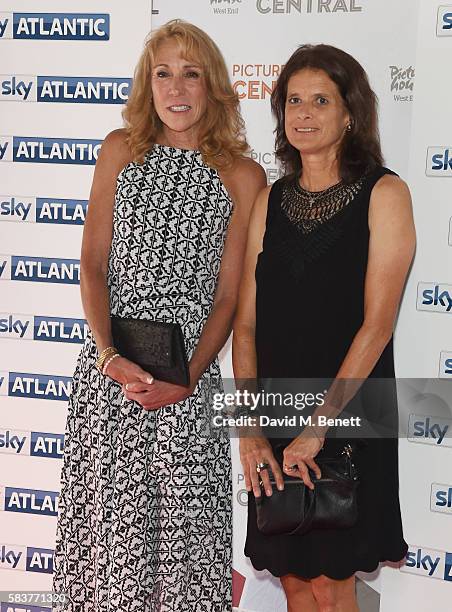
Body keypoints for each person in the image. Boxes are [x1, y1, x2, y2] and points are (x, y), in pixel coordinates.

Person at [52, 19, 266, 612]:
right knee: (108, 552)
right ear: (148, 85)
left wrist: (187, 377)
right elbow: (93, 264)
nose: (176, 88)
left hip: (187, 387)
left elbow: (228, 298)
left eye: (190, 74)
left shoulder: (243, 176)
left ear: (213, 87)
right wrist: (109, 356)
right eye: (163, 73)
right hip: (110, 386)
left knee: (183, 555)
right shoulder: (119, 149)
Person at [233, 44, 415, 612]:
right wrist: (251, 431)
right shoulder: (270, 199)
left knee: (334, 587)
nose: (304, 113)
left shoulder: (385, 194)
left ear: (350, 114)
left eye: (321, 100)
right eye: (293, 101)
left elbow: (377, 326)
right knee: (293, 582)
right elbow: (245, 325)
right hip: (277, 412)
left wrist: (319, 427)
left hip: (351, 410)